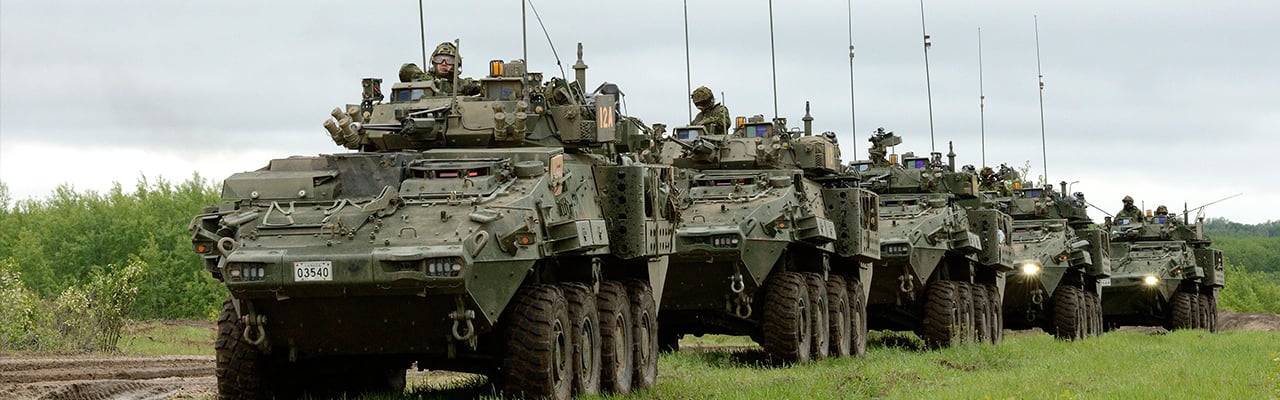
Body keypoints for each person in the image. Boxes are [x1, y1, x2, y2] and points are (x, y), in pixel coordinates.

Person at [399, 42, 481, 96]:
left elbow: (487, 86)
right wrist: (430, 83)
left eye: (449, 60)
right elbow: (406, 69)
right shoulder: (425, 80)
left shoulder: (463, 84)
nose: (443, 63)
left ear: (457, 64)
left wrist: (471, 88)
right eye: (439, 59)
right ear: (433, 61)